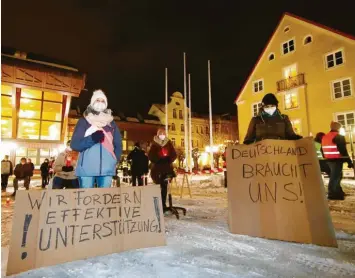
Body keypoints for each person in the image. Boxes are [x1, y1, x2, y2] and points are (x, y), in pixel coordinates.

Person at [71, 89, 122, 188]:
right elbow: (75, 144)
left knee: (104, 201)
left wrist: (115, 159)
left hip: (107, 169)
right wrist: (92, 139)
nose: (100, 103)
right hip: (86, 170)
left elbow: (118, 144)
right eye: (97, 100)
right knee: (85, 200)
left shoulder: (111, 123)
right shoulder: (84, 121)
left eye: (102, 101)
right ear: (92, 102)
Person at [322, 121, 354, 200]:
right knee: (335, 177)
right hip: (337, 159)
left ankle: (338, 192)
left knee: (337, 176)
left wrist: (325, 157)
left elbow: (321, 149)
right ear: (338, 128)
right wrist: (349, 161)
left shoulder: (325, 136)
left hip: (328, 160)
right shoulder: (338, 136)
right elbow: (343, 150)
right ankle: (332, 194)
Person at [148, 129, 177, 212]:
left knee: (164, 187)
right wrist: (158, 159)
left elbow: (174, 154)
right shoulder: (154, 144)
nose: (162, 135)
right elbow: (150, 156)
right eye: (160, 133)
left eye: (164, 133)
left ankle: (163, 204)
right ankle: (157, 204)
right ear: (157, 135)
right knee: (158, 187)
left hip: (166, 169)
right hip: (157, 169)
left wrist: (168, 159)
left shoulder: (169, 143)